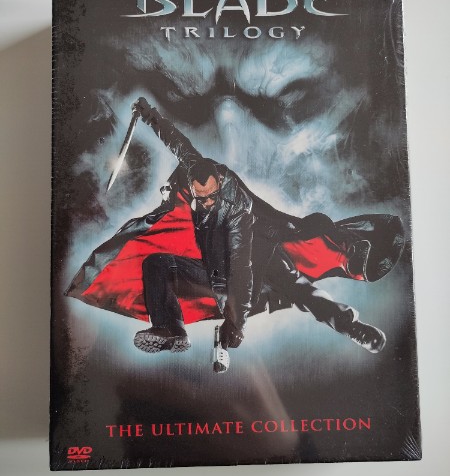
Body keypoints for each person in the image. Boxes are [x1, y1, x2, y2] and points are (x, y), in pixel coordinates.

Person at [128, 97, 392, 356]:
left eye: (212, 197)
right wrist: (150, 115)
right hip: (220, 270)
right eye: (201, 198)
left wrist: (236, 323)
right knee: (156, 265)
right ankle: (171, 328)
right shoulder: (197, 169)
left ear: (219, 184)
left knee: (298, 289)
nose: (207, 203)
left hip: (259, 256)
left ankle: (351, 326)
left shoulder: (238, 211)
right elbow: (177, 143)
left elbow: (241, 268)